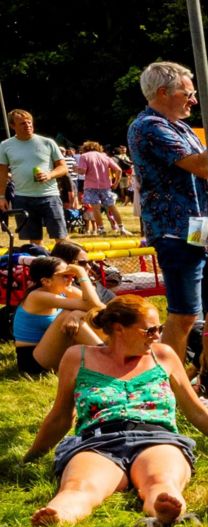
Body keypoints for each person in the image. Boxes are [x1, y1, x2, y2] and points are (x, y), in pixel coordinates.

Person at [23, 297, 208, 527]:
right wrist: (32, 455)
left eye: (159, 329)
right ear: (119, 329)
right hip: (98, 441)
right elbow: (60, 416)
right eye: (150, 330)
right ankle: (60, 514)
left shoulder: (163, 356)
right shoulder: (77, 357)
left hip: (157, 438)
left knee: (161, 482)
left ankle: (164, 508)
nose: (157, 336)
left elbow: (194, 409)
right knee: (79, 487)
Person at [129, 62, 208, 361]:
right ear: (163, 92)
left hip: (203, 227)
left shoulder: (182, 127)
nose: (194, 100)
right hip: (176, 231)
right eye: (187, 93)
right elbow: (204, 166)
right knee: (185, 314)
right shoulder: (150, 126)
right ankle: (171, 382)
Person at [12, 256, 104, 376]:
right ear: (46, 281)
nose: (71, 278)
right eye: (65, 275)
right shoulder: (37, 296)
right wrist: (82, 274)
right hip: (32, 362)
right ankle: (109, 359)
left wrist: (78, 314)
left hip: (51, 352)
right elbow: (92, 305)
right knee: (67, 314)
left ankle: (115, 353)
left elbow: (101, 309)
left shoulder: (64, 290)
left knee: (86, 316)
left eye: (71, 274)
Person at [0, 109, 69, 243]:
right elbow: (2, 173)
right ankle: (40, 262)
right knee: (34, 241)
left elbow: (63, 167)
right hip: (22, 198)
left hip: (50, 196)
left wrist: (49, 175)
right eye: (23, 124)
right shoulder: (5, 145)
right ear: (12, 126)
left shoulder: (47, 142)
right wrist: (1, 196)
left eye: (29, 122)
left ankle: (68, 262)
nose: (28, 126)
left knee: (61, 237)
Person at [70, 142, 124, 236]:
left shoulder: (84, 156)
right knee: (112, 207)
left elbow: (82, 172)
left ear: (85, 148)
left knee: (96, 209)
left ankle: (101, 229)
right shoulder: (105, 156)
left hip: (91, 186)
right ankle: (121, 228)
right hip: (105, 186)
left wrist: (75, 169)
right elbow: (119, 170)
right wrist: (116, 183)